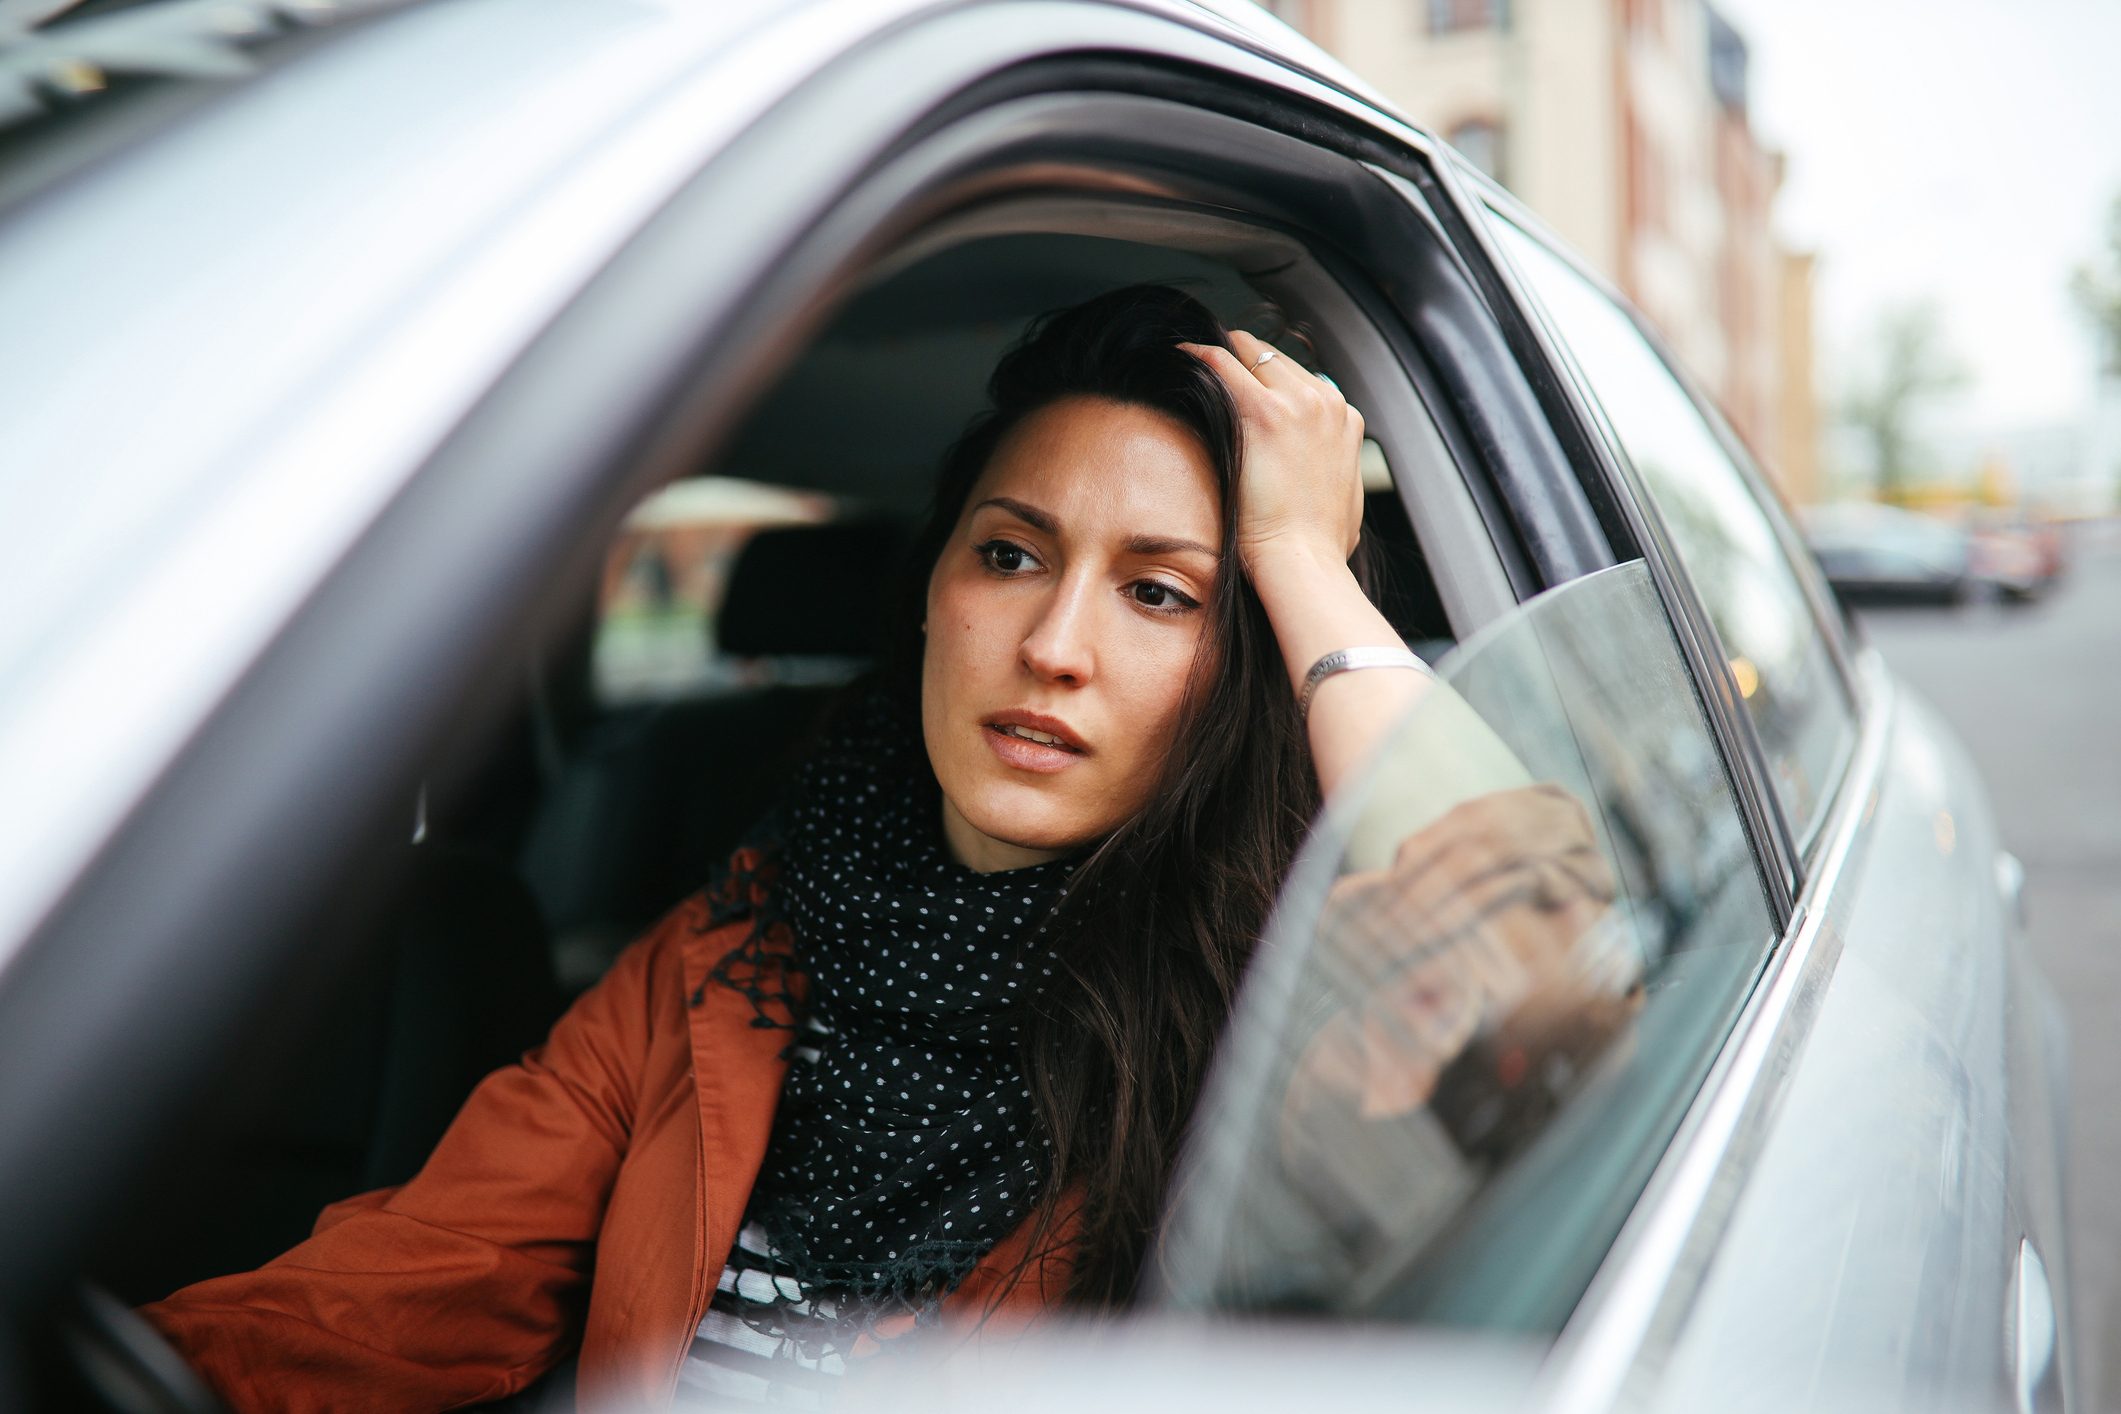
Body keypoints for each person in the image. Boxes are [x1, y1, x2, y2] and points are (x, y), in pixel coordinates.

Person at [139, 284, 1464, 1411]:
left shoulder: (1283, 1016)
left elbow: (1543, 964)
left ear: (1241, 665)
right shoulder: (742, 941)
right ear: (932, 597)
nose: (1055, 645)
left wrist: (1302, 561)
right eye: (1009, 555)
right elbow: (413, 1284)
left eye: (1158, 592)